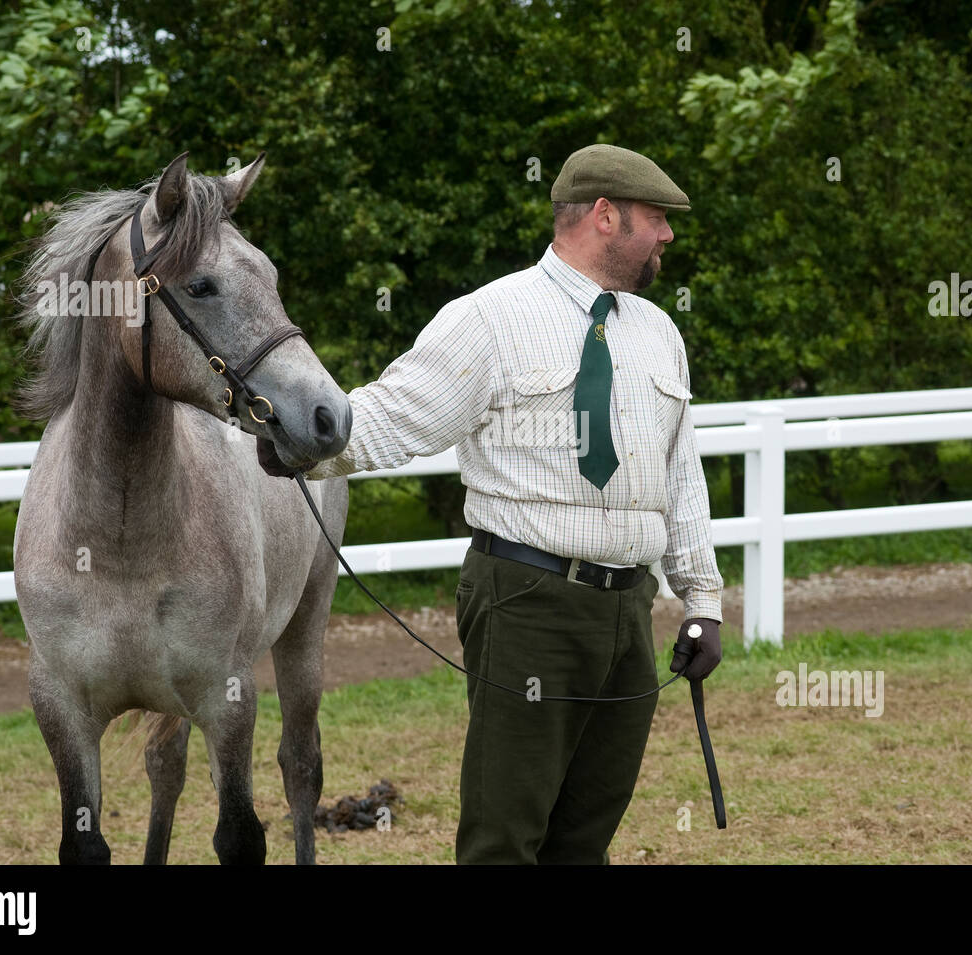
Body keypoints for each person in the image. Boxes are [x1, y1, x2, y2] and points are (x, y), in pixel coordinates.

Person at [257, 143, 724, 864]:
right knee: (504, 834)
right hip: (527, 601)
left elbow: (680, 475)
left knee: (587, 831)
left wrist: (701, 601)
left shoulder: (659, 333)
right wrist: (302, 441)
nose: (667, 235)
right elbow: (396, 414)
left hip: (629, 612)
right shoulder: (490, 317)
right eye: (656, 218)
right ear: (606, 216)